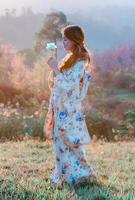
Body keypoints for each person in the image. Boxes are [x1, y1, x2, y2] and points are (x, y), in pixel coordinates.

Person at [43, 25, 97, 187]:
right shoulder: (70, 58)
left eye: (66, 39)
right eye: (63, 39)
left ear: (74, 40)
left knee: (71, 142)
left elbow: (69, 84)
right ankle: (66, 174)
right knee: (61, 143)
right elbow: (58, 80)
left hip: (69, 109)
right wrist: (55, 69)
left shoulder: (81, 60)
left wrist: (54, 68)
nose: (63, 42)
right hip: (60, 107)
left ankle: (84, 174)